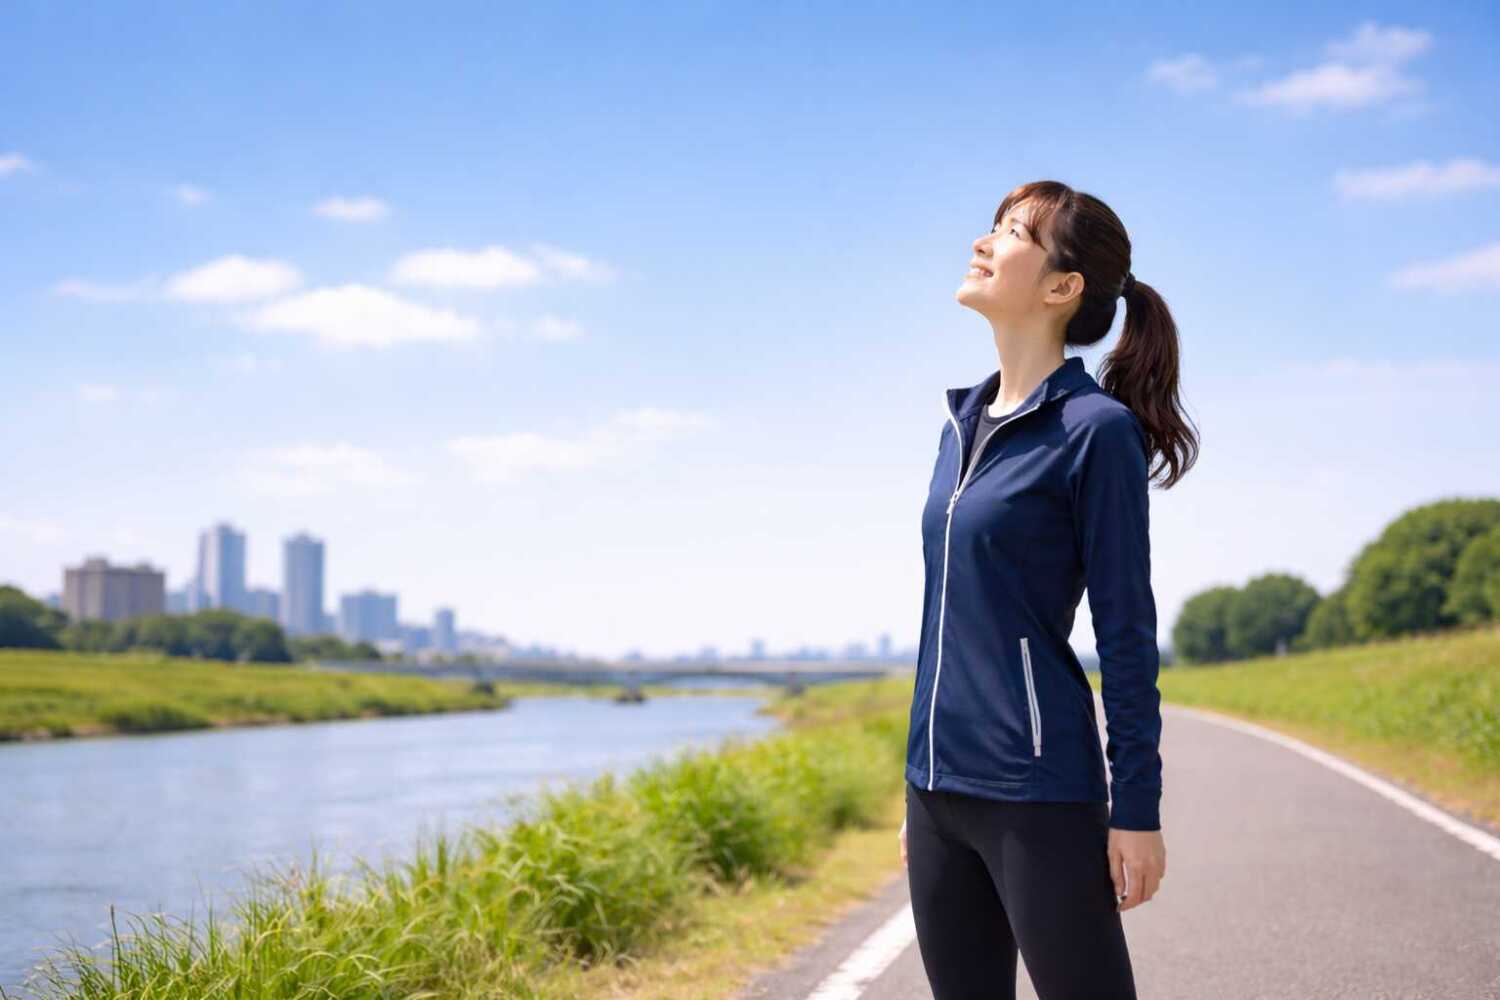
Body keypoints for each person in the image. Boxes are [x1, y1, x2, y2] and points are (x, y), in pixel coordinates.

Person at [899, 180, 1199, 999]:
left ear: (1063, 287)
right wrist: (916, 785)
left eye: (1012, 232)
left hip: (1036, 789)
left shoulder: (1094, 431)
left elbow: (1126, 632)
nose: (983, 242)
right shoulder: (959, 425)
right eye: (993, 226)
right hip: (936, 792)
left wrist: (1136, 809)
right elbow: (946, 619)